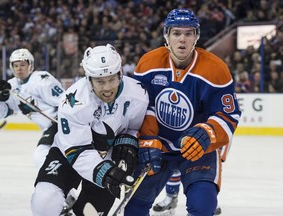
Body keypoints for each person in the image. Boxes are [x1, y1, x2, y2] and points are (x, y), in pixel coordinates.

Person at [124, 8, 241, 216]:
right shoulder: (148, 63)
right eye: (176, 33)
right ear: (166, 36)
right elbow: (141, 107)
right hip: (158, 148)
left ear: (196, 37)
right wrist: (147, 138)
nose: (182, 39)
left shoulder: (216, 69)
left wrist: (207, 134)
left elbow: (228, 114)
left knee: (203, 206)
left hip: (197, 151)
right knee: (134, 208)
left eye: (188, 33)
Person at [31, 44, 149, 216]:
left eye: (112, 79)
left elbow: (134, 128)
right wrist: (105, 172)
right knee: (43, 202)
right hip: (69, 153)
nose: (107, 88)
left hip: (108, 156)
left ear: (120, 74)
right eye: (100, 81)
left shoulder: (138, 95)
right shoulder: (73, 102)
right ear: (89, 79)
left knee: (91, 213)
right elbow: (76, 150)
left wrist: (128, 143)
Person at [0, 48, 64, 171]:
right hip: (48, 129)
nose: (19, 68)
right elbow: (0, 114)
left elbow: (65, 103)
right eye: (15, 65)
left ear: (30, 65)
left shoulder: (42, 80)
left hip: (59, 124)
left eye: (22, 65)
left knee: (41, 155)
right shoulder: (11, 86)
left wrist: (62, 125)